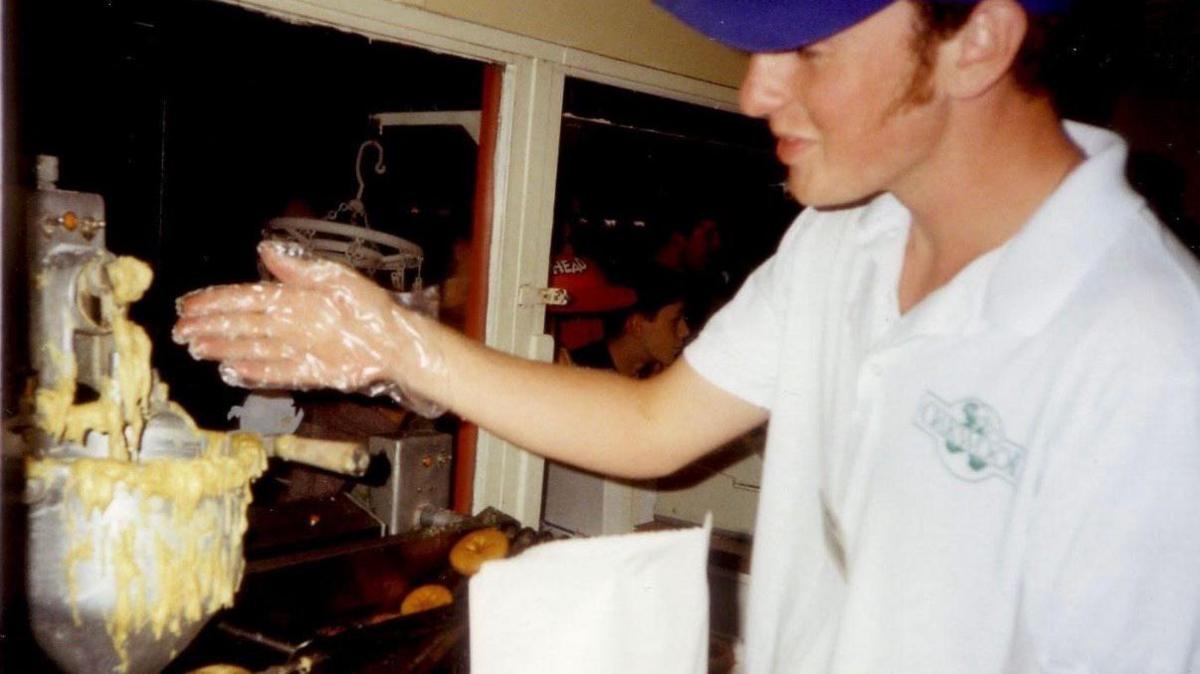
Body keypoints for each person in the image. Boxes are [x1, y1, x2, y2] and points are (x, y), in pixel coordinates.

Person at [173, 1, 1200, 671]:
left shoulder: (1147, 351)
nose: (756, 90)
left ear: (978, 38)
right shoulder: (844, 239)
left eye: (806, 48)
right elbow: (656, 424)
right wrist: (398, 341)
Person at [565, 267, 691, 379]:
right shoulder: (582, 375)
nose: (685, 331)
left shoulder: (656, 374)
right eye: (674, 321)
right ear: (636, 326)